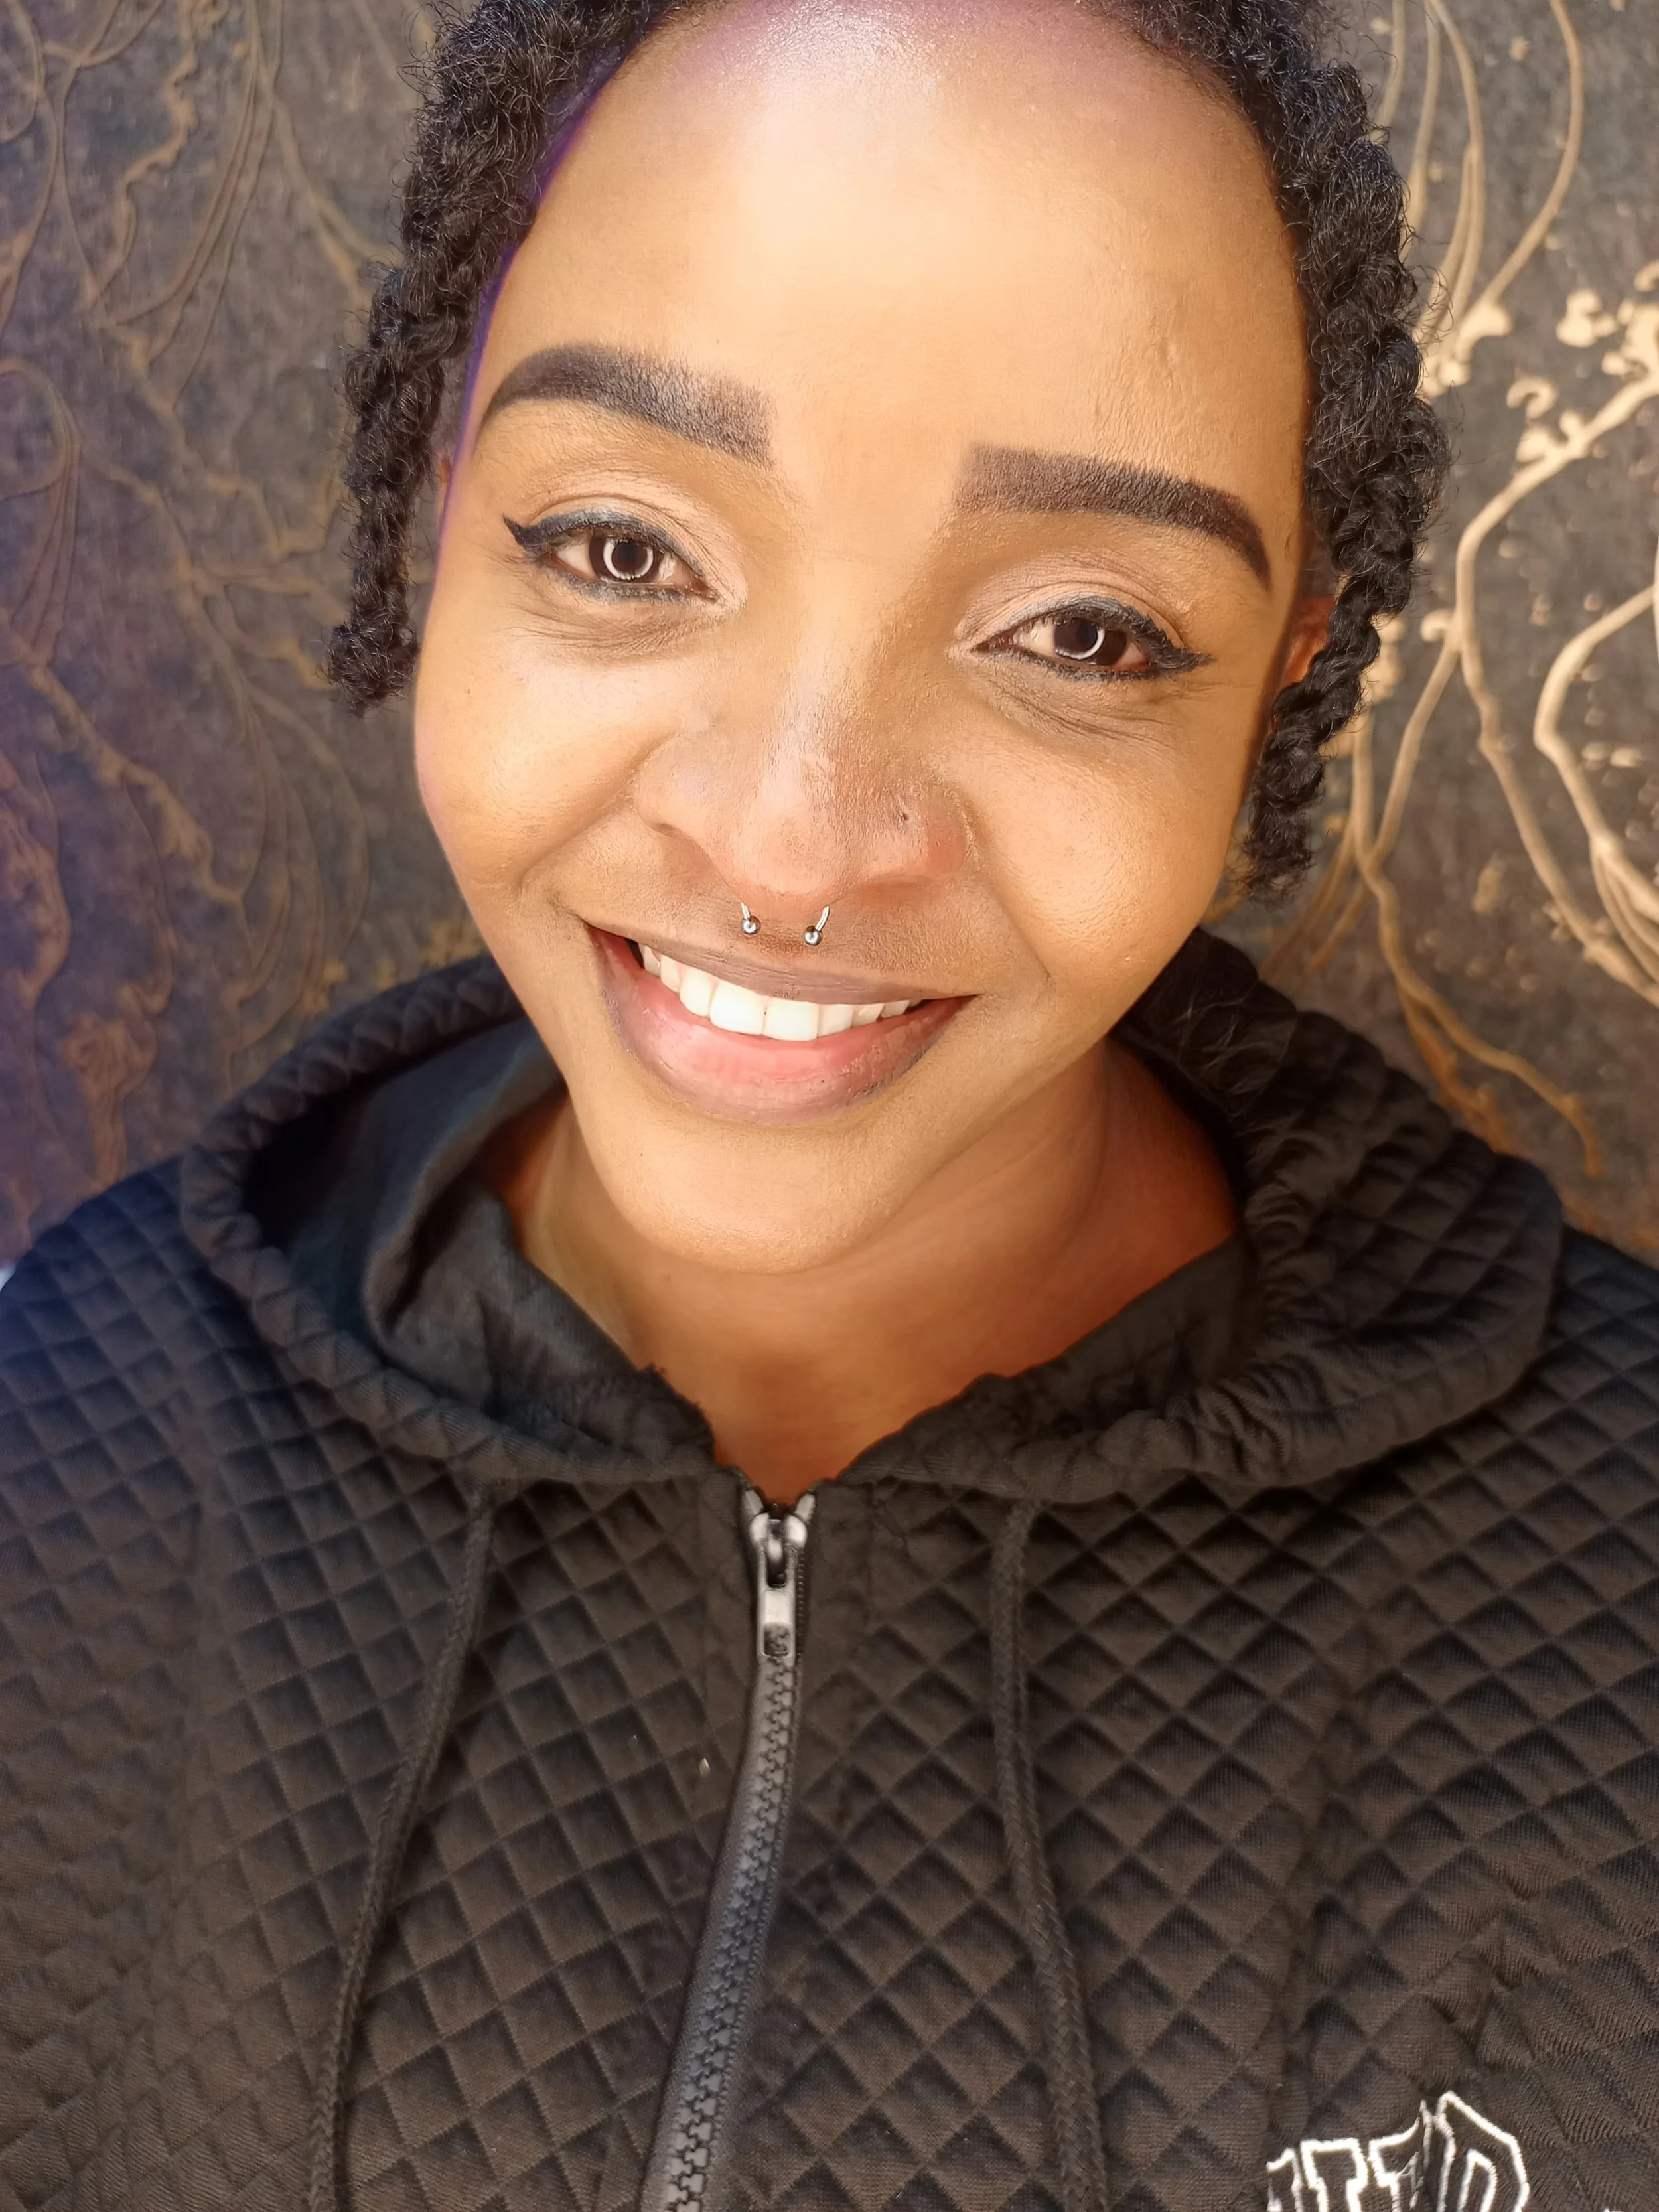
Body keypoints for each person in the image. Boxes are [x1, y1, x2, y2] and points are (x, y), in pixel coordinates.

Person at [2, 1, 1656, 2207]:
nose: (793, 844)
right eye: (617, 547)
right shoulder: (61, 1463)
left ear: (1278, 671)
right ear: (436, 503)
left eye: (1079, 631)